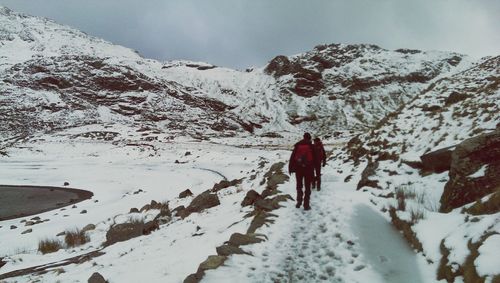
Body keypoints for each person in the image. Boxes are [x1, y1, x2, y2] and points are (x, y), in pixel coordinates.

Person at [288, 132, 317, 210]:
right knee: (308, 186)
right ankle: (306, 204)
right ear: (309, 138)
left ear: (303, 137)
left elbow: (292, 157)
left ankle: (299, 201)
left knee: (299, 185)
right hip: (308, 169)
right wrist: (316, 168)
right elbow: (316, 158)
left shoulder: (298, 145)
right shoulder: (311, 146)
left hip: (298, 169)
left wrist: (290, 168)